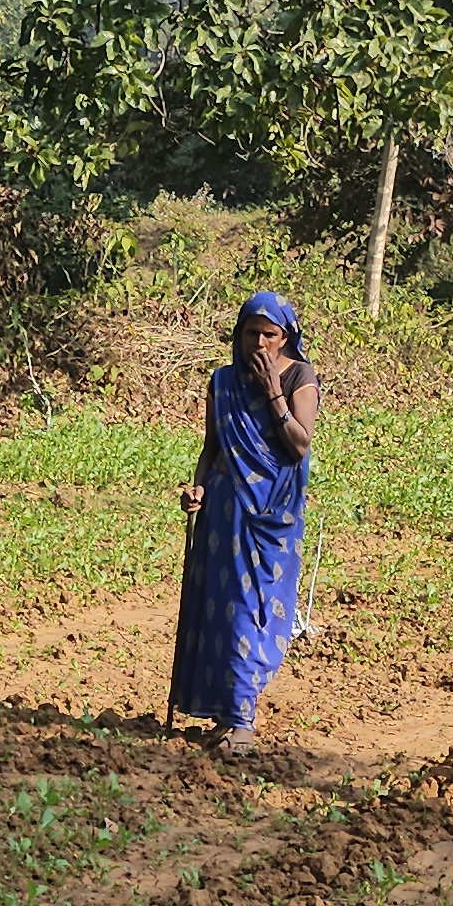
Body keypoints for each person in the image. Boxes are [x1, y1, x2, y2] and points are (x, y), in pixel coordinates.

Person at [169, 292, 321, 754]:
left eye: (269, 335)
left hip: (272, 515)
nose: (259, 342)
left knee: (253, 608)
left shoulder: (299, 377)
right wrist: (197, 488)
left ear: (285, 338)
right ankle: (231, 715)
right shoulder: (222, 382)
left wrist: (274, 391)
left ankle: (241, 716)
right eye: (251, 333)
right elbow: (211, 450)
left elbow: (298, 445)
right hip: (224, 511)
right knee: (223, 608)